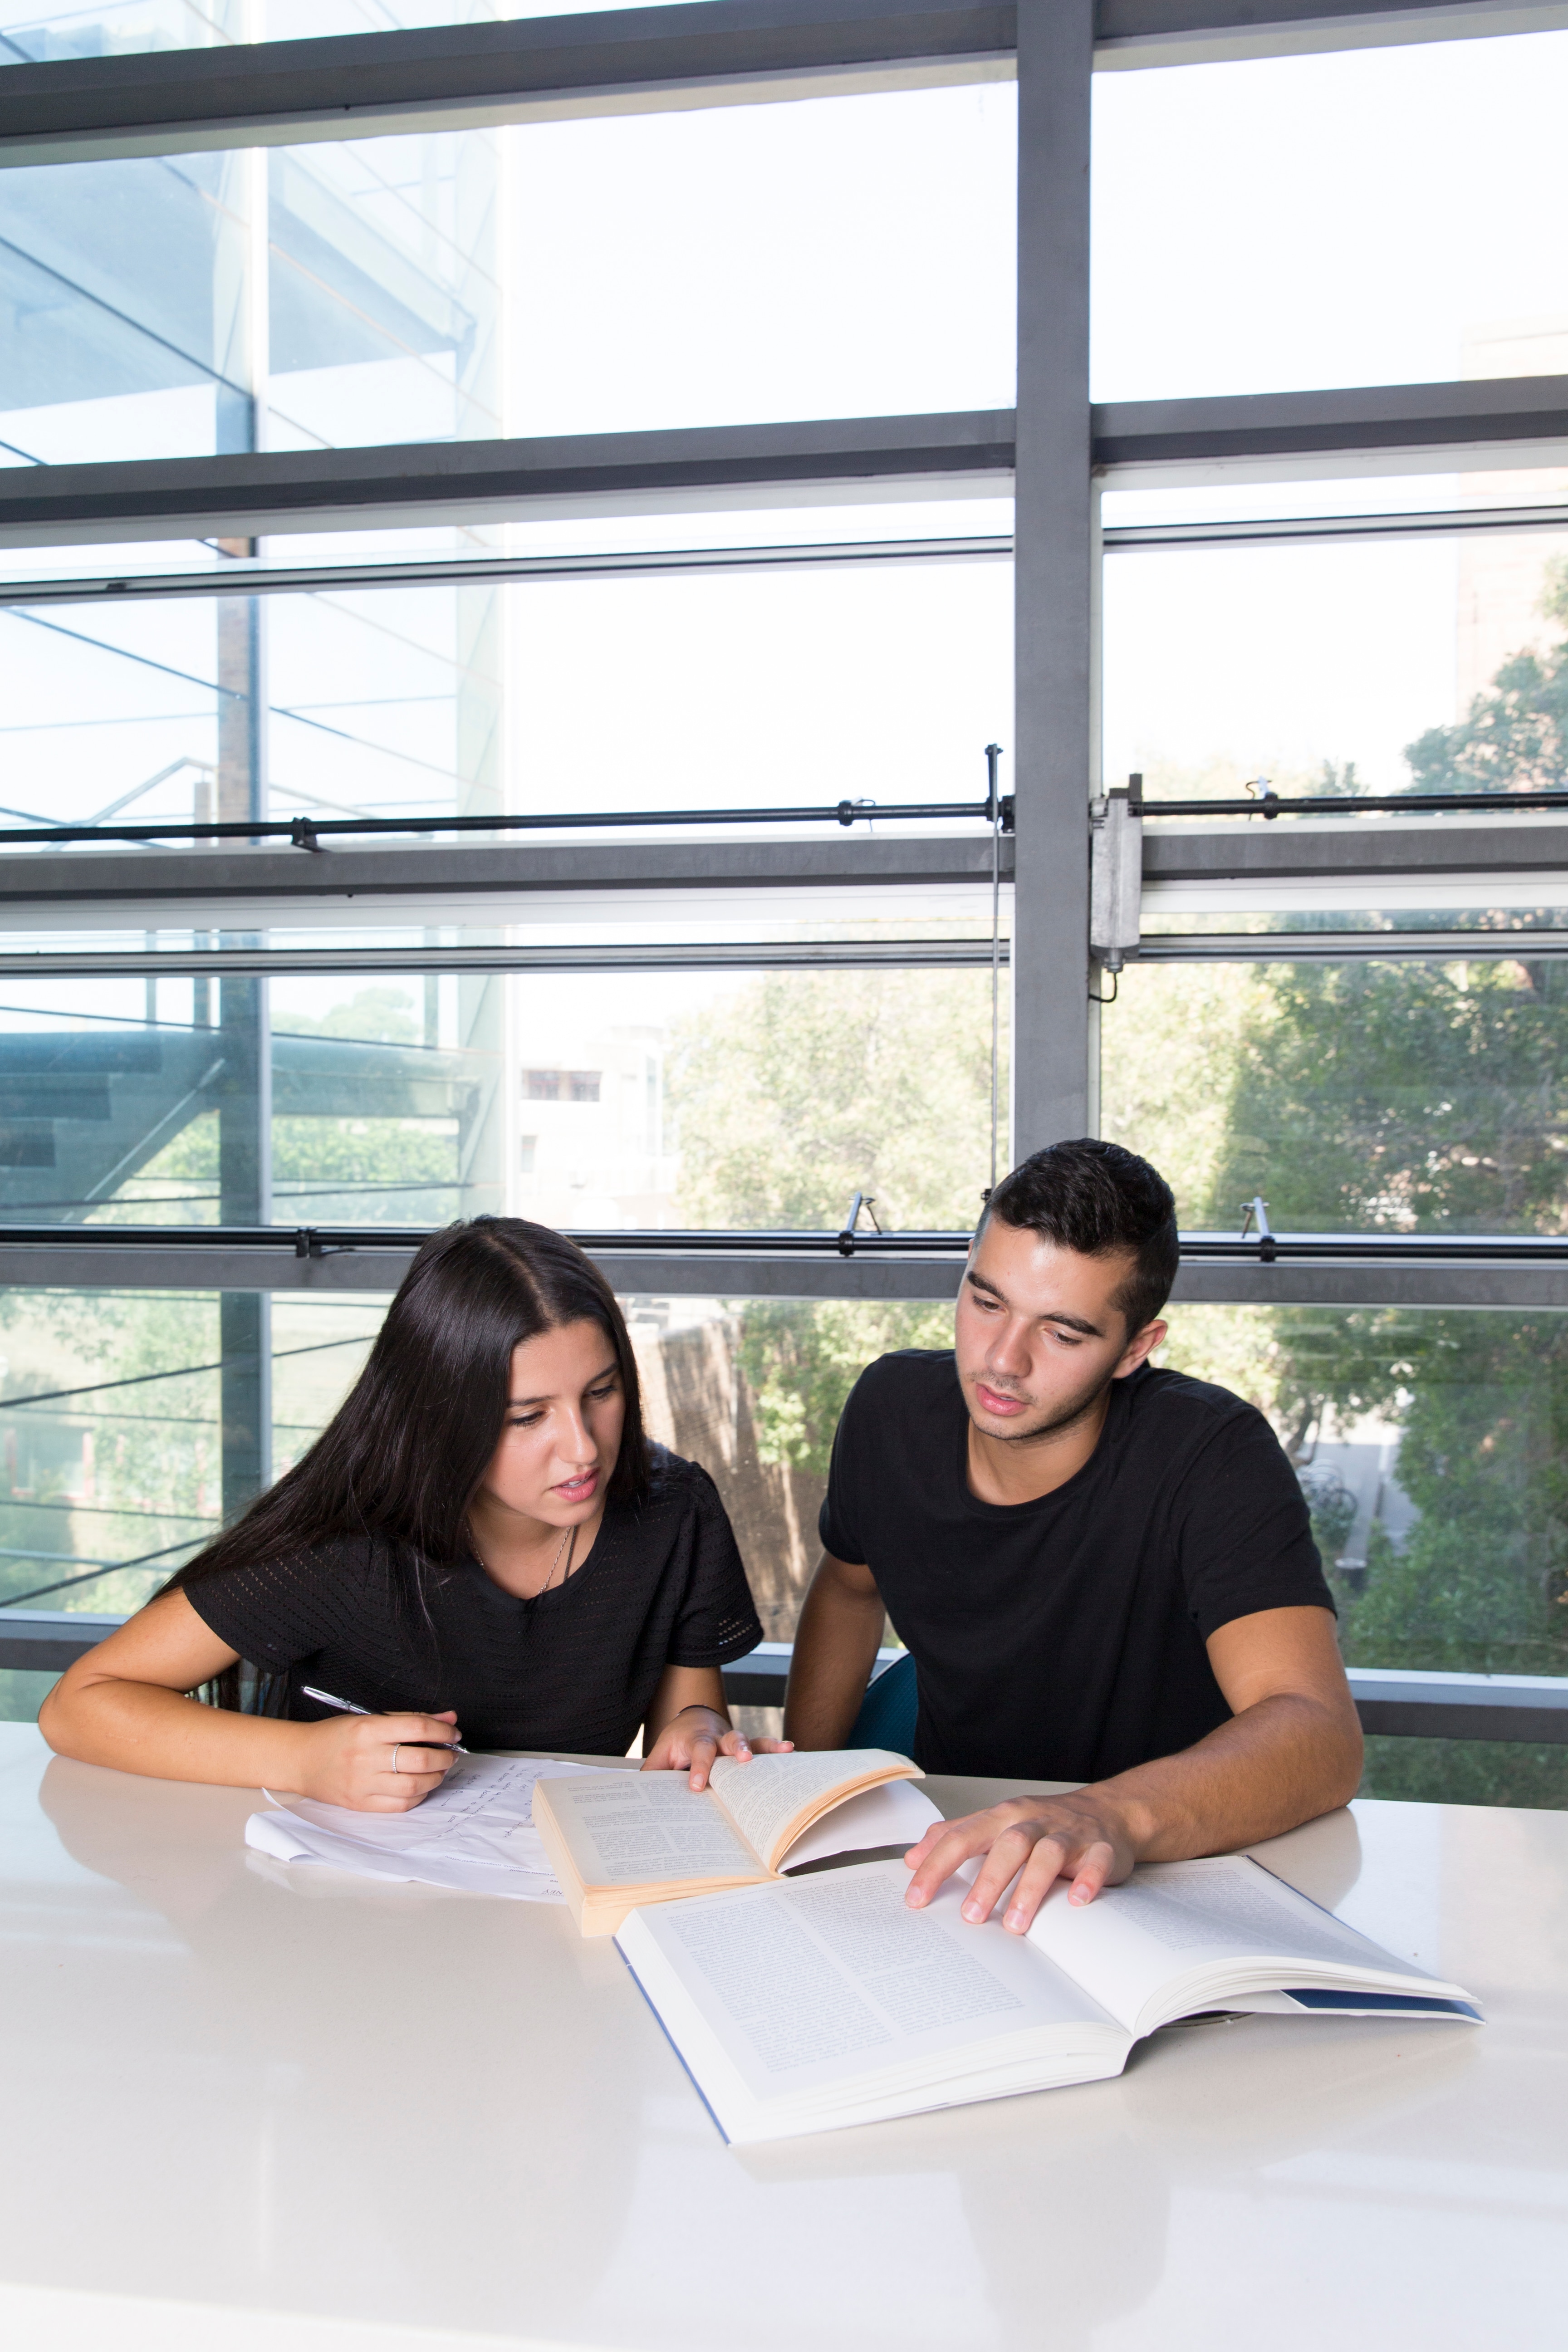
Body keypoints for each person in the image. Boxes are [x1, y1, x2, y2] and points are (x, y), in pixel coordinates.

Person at [783, 1137, 1362, 1933]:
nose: (1001, 1361)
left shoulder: (1212, 1456)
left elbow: (1319, 1731)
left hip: (1165, 1873)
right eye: (986, 1302)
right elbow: (850, 1590)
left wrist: (1111, 1817)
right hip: (954, 1859)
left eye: (1062, 1332)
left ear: (1135, 1349)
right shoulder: (890, 1408)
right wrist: (804, 1801)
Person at [41, 1217, 785, 1806]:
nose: (583, 1450)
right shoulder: (346, 1542)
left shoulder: (672, 1511)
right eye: (527, 1417)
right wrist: (304, 1760)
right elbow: (80, 1705)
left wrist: (700, 1731)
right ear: (442, 1416)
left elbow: (684, 1724)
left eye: (601, 1392)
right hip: (324, 1911)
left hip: (543, 1903)